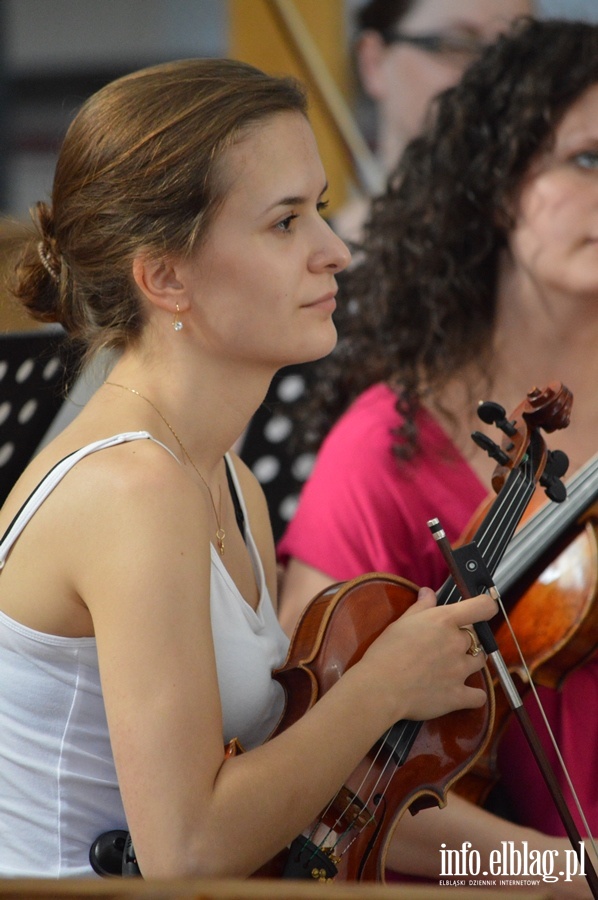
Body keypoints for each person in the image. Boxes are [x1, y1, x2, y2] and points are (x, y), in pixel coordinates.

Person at [0, 58, 498, 879]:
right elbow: (187, 850)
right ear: (166, 277)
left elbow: (308, 805)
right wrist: (379, 689)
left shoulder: (229, 482)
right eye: (285, 222)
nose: (335, 252)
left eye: (323, 211)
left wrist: (556, 864)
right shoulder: (134, 492)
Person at [279, 16, 598, 897]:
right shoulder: (386, 451)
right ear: (497, 186)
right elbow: (331, 793)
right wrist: (567, 875)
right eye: (587, 161)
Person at [335, 0, 534, 243]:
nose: (492, 75)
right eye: (457, 45)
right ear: (373, 62)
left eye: (513, 53)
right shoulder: (311, 263)